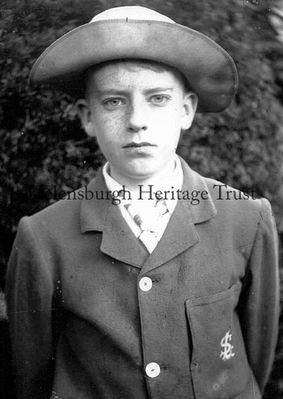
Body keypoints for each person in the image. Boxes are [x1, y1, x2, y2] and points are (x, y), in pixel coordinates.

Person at [5, 5, 279, 399]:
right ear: (87, 117)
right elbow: (30, 374)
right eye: (114, 101)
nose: (137, 120)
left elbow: (255, 356)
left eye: (158, 98)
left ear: (186, 110)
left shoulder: (246, 218)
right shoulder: (44, 236)